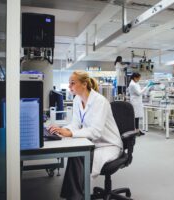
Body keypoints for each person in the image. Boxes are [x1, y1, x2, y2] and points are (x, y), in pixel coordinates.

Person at [48, 70, 123, 200]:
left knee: (78, 155)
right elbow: (75, 124)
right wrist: (62, 129)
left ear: (84, 84)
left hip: (108, 144)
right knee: (76, 153)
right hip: (93, 143)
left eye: (72, 83)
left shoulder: (100, 101)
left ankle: (76, 196)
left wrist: (71, 133)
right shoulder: (77, 99)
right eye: (69, 83)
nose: (69, 86)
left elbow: (95, 131)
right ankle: (75, 196)